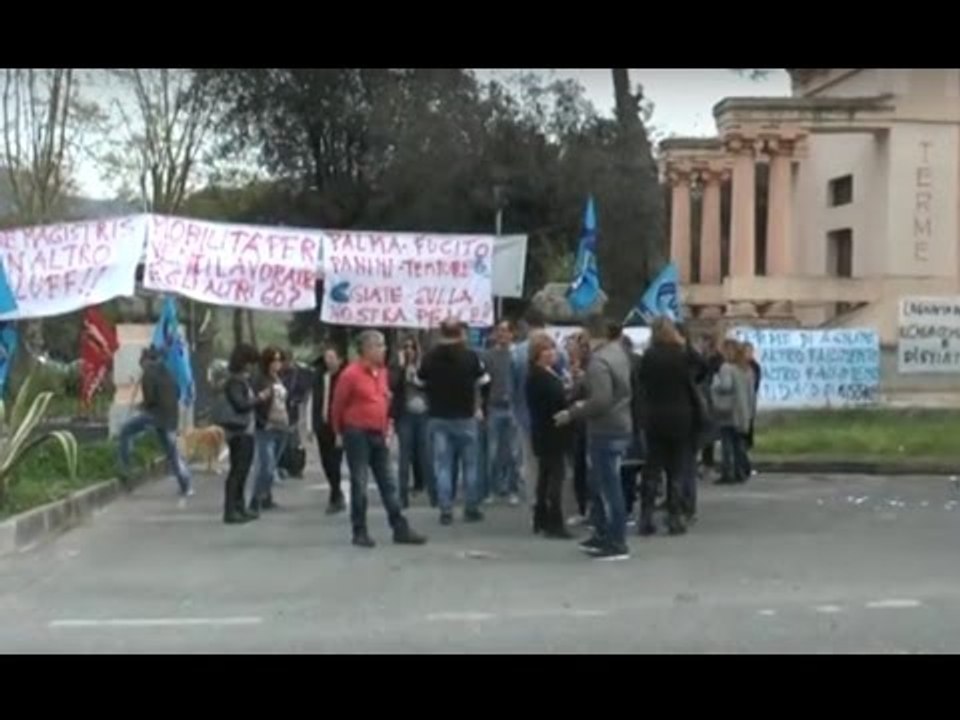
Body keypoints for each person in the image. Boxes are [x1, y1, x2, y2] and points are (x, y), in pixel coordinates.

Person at [329, 330, 427, 548]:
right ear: (367, 349)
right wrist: (338, 431)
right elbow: (337, 405)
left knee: (388, 482)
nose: (384, 349)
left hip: (378, 432)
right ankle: (359, 530)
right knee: (360, 482)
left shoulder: (381, 373)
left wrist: (387, 426)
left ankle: (399, 527)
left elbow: (385, 399)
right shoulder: (350, 375)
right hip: (356, 433)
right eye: (379, 345)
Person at [556, 315, 633, 561]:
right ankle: (602, 533)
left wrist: (574, 411)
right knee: (602, 484)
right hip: (619, 422)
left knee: (608, 486)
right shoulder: (619, 354)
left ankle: (616, 540)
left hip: (606, 426)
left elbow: (601, 399)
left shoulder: (599, 362)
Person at [418, 318, 489, 526]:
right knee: (471, 465)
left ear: (441, 333)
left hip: (438, 416)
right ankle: (471, 507)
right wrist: (479, 406)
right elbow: (485, 382)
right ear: (461, 334)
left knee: (443, 465)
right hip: (466, 416)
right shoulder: (470, 357)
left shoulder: (430, 358)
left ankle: (446, 509)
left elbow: (419, 382)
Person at [636, 317, 699, 537]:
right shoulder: (681, 356)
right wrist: (684, 343)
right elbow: (703, 368)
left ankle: (646, 516)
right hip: (680, 416)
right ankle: (674, 517)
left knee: (652, 469)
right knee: (676, 470)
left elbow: (640, 381)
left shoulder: (649, 356)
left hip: (654, 416)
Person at [118, 347, 193, 502]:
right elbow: (177, 392)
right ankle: (185, 484)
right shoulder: (168, 371)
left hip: (155, 415)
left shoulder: (148, 373)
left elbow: (150, 398)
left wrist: (141, 406)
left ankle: (126, 469)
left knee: (125, 431)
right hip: (171, 416)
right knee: (171, 451)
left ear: (145, 361)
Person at [526, 334, 573, 539]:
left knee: (545, 476)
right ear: (538, 355)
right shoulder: (540, 377)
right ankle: (555, 521)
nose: (551, 354)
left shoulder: (547, 374)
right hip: (551, 431)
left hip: (544, 430)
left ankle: (541, 517)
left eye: (552, 350)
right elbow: (555, 401)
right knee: (555, 476)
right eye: (546, 351)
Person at [214, 343, 267, 524]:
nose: (252, 368)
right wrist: (259, 398)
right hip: (239, 431)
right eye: (250, 363)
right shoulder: (235, 382)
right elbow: (241, 405)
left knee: (242, 471)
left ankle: (239, 507)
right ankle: (231, 510)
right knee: (237, 471)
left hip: (246, 430)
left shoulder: (240, 380)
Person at [390, 336, 432, 508]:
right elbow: (391, 385)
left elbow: (431, 385)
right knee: (404, 456)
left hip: (424, 414)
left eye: (412, 347)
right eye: (405, 347)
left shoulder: (425, 366)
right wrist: (401, 369)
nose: (409, 350)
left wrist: (416, 378)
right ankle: (402, 496)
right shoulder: (396, 368)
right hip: (405, 416)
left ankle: (434, 494)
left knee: (425, 455)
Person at [484, 320, 522, 504]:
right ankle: (493, 488)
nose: (502, 334)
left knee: (513, 452)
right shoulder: (489, 356)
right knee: (492, 452)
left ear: (512, 334)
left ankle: (512, 489)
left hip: (514, 407)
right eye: (499, 331)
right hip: (495, 406)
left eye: (506, 331)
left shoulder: (517, 355)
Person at [250, 346, 289, 513]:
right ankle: (255, 500)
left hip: (282, 425)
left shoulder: (278, 378)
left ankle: (266, 496)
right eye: (274, 360)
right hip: (266, 427)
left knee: (272, 466)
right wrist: (261, 420)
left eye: (280, 359)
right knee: (267, 464)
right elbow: (254, 402)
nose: (277, 363)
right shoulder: (260, 379)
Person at [711, 340, 754, 485]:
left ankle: (727, 472)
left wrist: (715, 383)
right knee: (738, 444)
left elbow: (726, 386)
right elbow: (751, 393)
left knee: (727, 443)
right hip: (742, 411)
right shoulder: (746, 369)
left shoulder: (726, 368)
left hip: (728, 411)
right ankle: (740, 471)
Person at [312, 345, 346, 515]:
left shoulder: (345, 377)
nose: (329, 361)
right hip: (322, 424)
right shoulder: (320, 376)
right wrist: (313, 425)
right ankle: (336, 491)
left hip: (338, 425)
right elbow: (314, 401)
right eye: (327, 357)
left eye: (332, 357)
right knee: (326, 462)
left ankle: (335, 496)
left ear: (340, 359)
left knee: (335, 461)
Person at [564, 332, 590, 524]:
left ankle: (588, 508)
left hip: (586, 423)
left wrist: (578, 382)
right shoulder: (566, 368)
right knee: (577, 468)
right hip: (573, 425)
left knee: (585, 467)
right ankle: (582, 507)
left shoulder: (591, 369)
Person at [743, 341, 762, 459]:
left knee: (749, 421)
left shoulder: (754, 366)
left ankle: (748, 443)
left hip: (749, 398)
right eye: (745, 351)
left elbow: (756, 384)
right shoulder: (739, 365)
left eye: (749, 351)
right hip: (740, 399)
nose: (747, 354)